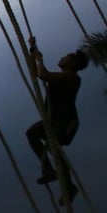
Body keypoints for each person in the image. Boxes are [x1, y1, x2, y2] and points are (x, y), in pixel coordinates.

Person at [25, 38, 88, 206]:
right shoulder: (62, 76)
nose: (62, 58)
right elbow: (39, 73)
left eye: (66, 57)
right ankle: (52, 172)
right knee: (37, 137)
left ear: (73, 64)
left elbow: (43, 74)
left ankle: (59, 178)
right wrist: (33, 49)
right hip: (54, 121)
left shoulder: (72, 77)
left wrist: (39, 58)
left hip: (65, 122)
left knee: (54, 146)